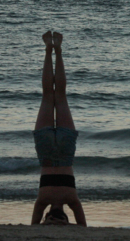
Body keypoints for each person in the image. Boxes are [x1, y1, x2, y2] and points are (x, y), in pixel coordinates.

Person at [31, 31, 87, 226]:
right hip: (47, 153)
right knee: (50, 95)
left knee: (58, 95)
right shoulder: (43, 201)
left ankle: (56, 50)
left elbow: (82, 227)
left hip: (63, 154)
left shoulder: (71, 200)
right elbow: (33, 227)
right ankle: (50, 50)